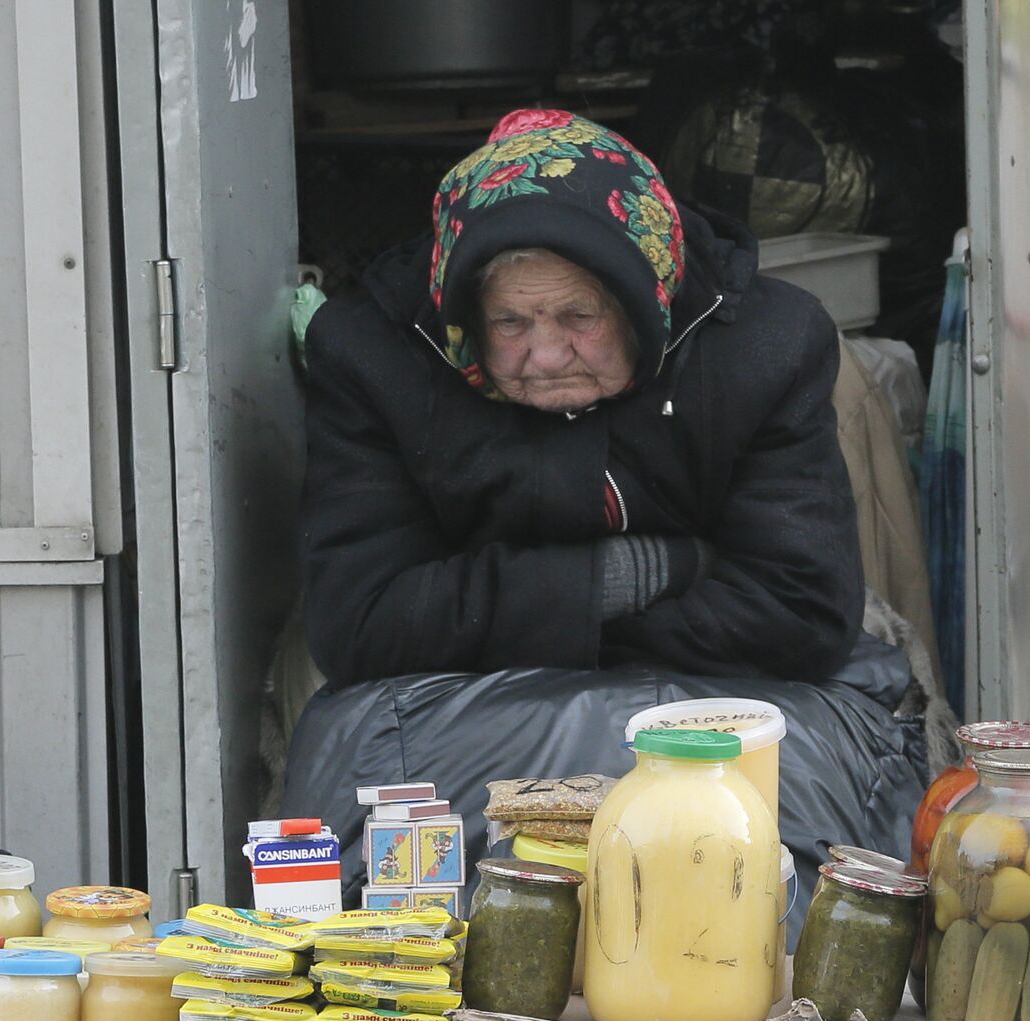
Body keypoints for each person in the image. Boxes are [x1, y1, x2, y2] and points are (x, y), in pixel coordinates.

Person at [286, 110, 929, 913]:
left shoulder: (762, 344)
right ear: (463, 316)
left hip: (705, 703)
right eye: (510, 323)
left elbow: (798, 611)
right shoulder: (377, 355)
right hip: (481, 707)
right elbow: (364, 621)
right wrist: (636, 576)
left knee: (771, 845)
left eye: (578, 318)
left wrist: (501, 611)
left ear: (643, 299)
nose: (546, 354)